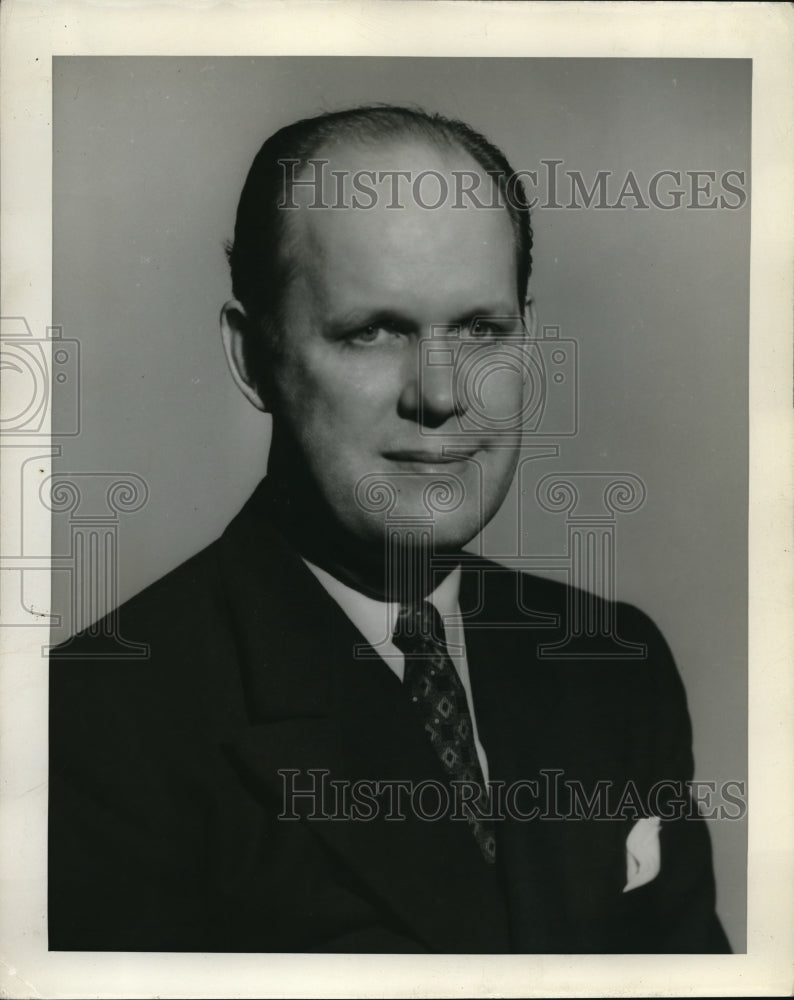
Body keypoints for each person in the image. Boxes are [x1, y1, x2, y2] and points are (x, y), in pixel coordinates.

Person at [48, 105, 730, 953]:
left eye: (482, 330)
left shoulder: (614, 665)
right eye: (374, 331)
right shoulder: (89, 724)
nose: (441, 395)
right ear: (251, 355)